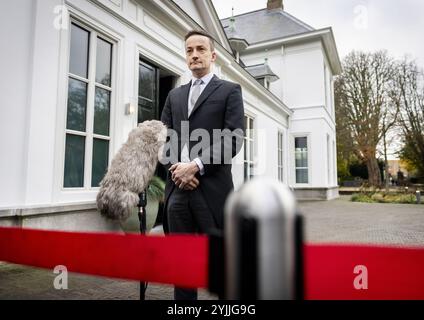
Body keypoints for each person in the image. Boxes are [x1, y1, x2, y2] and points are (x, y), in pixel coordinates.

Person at [160, 29, 244, 300]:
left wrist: (195, 165)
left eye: (200, 49)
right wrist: (177, 169)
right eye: (189, 50)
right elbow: (165, 137)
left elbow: (233, 138)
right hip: (178, 192)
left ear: (213, 55)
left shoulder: (230, 90)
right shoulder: (174, 96)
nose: (194, 55)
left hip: (212, 191)